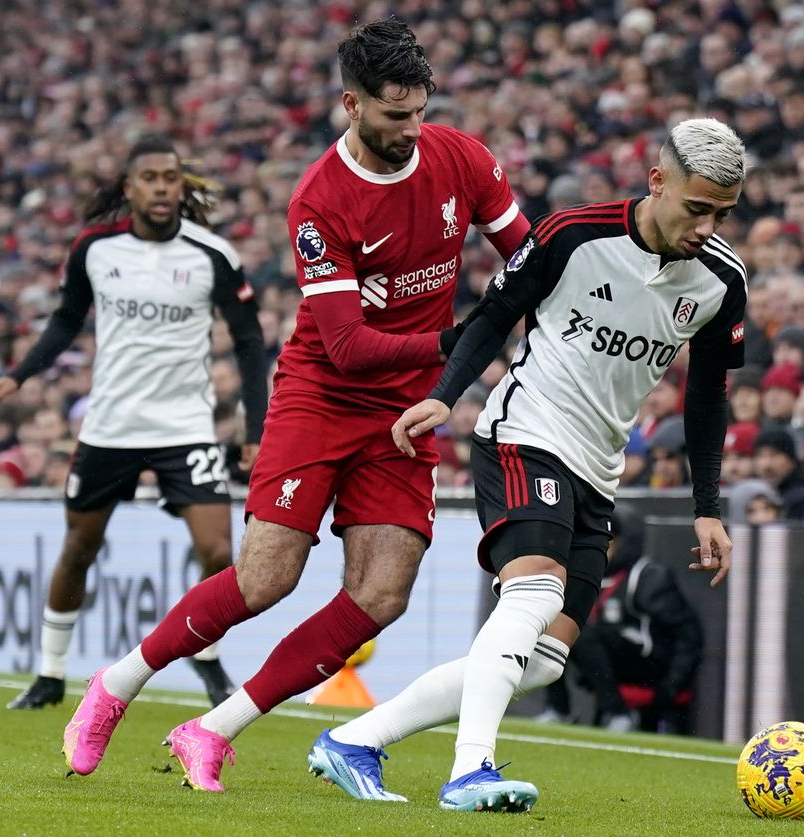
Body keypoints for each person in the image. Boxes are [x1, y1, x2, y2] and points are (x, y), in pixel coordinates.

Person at [59, 18, 530, 791]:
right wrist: (462, 342)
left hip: (403, 412)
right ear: (352, 103)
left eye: (419, 111)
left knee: (382, 594)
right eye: (392, 116)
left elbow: (528, 254)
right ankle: (115, 686)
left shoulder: (461, 158)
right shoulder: (321, 199)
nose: (411, 130)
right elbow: (346, 345)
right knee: (264, 578)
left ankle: (212, 728)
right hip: (322, 395)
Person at [310, 117, 746, 812]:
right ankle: (469, 771)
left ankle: (354, 740)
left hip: (599, 469)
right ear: (658, 181)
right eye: (697, 208)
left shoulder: (722, 280)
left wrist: (707, 506)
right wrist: (444, 397)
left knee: (543, 660)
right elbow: (494, 314)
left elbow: (707, 397)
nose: (707, 225)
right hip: (525, 434)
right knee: (533, 597)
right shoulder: (573, 234)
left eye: (723, 212)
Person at [0, 135, 268, 710]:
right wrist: (19, 375)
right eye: (150, 177)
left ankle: (205, 660)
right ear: (129, 188)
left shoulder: (213, 255)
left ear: (182, 186)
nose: (162, 187)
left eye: (171, 177)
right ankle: (50, 674)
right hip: (111, 425)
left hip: (186, 425)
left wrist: (254, 430)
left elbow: (251, 345)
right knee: (80, 545)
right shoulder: (94, 250)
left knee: (217, 552)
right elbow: (65, 321)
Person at [530, 505, 703, 735]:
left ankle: (618, 713)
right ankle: (560, 708)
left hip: (648, 663)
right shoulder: (590, 574)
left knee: (580, 634)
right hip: (608, 659)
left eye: (609, 538)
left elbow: (688, 635)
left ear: (625, 540)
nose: (601, 544)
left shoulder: (647, 576)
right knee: (551, 626)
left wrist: (671, 687)